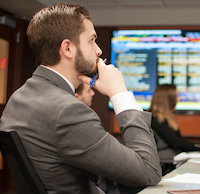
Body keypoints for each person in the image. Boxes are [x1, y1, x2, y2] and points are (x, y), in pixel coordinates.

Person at [0, 3, 161, 194]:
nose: (99, 51)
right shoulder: (68, 111)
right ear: (68, 48)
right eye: (92, 40)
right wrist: (120, 94)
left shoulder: (19, 98)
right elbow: (148, 172)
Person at [149, 84, 200, 174]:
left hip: (173, 160)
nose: (178, 100)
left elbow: (178, 142)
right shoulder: (155, 119)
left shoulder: (167, 119)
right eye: (176, 97)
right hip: (166, 165)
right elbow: (176, 142)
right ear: (168, 100)